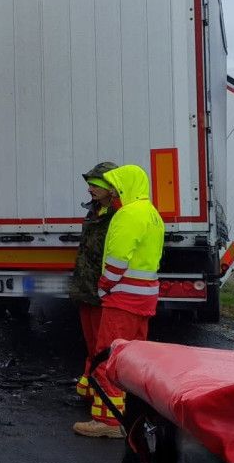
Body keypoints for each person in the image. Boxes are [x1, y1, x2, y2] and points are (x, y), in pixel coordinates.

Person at [74, 164, 165, 439]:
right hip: (143, 297)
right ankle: (132, 409)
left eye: (114, 183)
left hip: (123, 297)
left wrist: (105, 286)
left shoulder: (127, 215)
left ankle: (108, 421)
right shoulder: (151, 213)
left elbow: (117, 258)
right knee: (132, 356)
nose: (111, 188)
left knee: (108, 354)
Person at [67, 162, 118, 402]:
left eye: (96, 184)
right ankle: (90, 385)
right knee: (91, 343)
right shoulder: (95, 210)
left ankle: (104, 397)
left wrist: (106, 285)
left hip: (104, 291)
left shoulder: (119, 215)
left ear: (112, 187)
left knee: (103, 345)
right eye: (89, 184)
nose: (90, 189)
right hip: (86, 289)